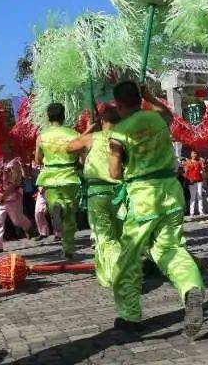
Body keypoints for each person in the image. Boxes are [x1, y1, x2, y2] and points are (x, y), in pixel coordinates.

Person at [106, 82, 204, 337]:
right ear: (140, 99)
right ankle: (191, 287)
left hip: (143, 198)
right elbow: (170, 115)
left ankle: (130, 316)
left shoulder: (119, 132)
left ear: (117, 103)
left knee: (128, 260)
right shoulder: (157, 118)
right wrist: (151, 97)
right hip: (171, 193)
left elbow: (114, 172)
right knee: (171, 248)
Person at [66, 107, 123, 288]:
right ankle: (115, 271)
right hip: (121, 192)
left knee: (105, 236)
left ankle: (117, 274)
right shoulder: (124, 138)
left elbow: (69, 147)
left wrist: (88, 130)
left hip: (98, 193)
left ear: (102, 122)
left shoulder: (92, 138)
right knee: (120, 235)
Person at [34, 103, 81, 258]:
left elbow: (38, 159)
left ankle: (56, 206)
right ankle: (68, 249)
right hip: (69, 176)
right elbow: (80, 158)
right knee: (70, 216)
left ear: (48, 117)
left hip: (50, 176)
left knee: (54, 204)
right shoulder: (74, 134)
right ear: (64, 115)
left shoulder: (42, 136)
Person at [0, 152, 33, 253]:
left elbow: (15, 183)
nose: (2, 148)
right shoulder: (0, 161)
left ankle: (28, 226)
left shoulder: (15, 163)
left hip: (13, 197)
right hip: (0, 196)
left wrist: (4, 196)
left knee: (17, 220)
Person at [182, 150, 206, 216]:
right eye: (193, 153)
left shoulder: (199, 162)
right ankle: (191, 212)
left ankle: (201, 211)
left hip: (199, 181)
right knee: (192, 197)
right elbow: (186, 173)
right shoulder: (188, 162)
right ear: (190, 154)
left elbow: (202, 171)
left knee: (200, 196)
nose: (194, 155)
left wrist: (203, 166)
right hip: (191, 182)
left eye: (195, 153)